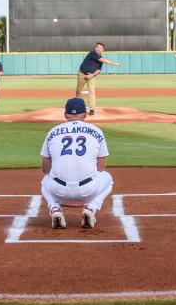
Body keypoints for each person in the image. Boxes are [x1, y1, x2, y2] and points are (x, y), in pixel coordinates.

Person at [40, 98, 113, 229]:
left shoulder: (52, 132)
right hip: (88, 190)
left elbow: (45, 168)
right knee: (107, 178)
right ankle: (91, 207)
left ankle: (55, 209)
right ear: (85, 113)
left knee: (45, 180)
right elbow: (100, 168)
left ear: (65, 114)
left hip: (58, 190)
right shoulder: (97, 131)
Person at [76, 42, 120, 116]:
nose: (98, 49)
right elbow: (103, 60)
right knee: (78, 91)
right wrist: (115, 63)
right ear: (95, 48)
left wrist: (92, 75)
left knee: (92, 91)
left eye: (100, 48)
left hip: (91, 77)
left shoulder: (100, 59)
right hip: (82, 74)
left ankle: (92, 109)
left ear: (103, 49)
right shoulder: (92, 53)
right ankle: (79, 107)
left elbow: (98, 70)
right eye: (97, 47)